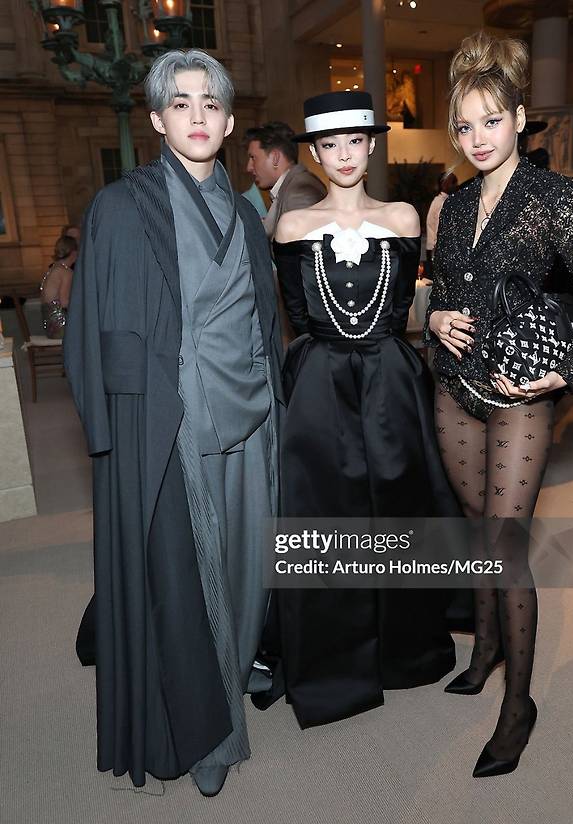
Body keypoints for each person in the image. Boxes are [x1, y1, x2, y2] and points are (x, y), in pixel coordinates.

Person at [64, 49, 284, 796]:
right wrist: (113, 438)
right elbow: (93, 333)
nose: (197, 115)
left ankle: (233, 675)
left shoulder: (247, 216)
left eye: (211, 104)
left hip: (252, 418)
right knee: (190, 580)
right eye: (181, 102)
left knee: (247, 568)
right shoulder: (122, 208)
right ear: (157, 120)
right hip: (171, 424)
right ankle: (209, 733)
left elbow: (262, 321)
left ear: (229, 122)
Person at [424, 31, 573, 777]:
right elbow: (443, 292)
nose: (478, 137)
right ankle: (483, 648)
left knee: (506, 544)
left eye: (491, 120)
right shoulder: (451, 206)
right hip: (455, 387)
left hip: (519, 393)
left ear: (517, 119)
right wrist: (434, 319)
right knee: (479, 528)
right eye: (464, 125)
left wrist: (563, 372)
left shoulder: (551, 198)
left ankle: (520, 704)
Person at [253, 91, 460, 729]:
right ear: (314, 153)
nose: (343, 154)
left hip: (392, 380)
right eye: (330, 144)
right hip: (319, 383)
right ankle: (334, 656)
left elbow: (412, 303)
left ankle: (403, 649)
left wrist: (438, 317)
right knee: (326, 515)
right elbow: (290, 314)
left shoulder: (404, 217)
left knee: (399, 508)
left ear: (371, 146)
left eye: (354, 141)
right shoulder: (292, 226)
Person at [245, 121, 326, 239]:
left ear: (275, 158)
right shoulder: (292, 188)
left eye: (253, 158)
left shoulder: (299, 194)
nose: (249, 167)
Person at [40, 234, 76, 339]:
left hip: (50, 327)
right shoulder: (66, 272)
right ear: (74, 253)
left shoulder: (53, 269)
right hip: (61, 328)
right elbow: (64, 302)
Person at [426, 172, 458, 262]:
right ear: (444, 184)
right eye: (453, 182)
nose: (456, 186)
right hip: (437, 249)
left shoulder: (442, 200)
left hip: (437, 248)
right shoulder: (442, 202)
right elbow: (441, 227)